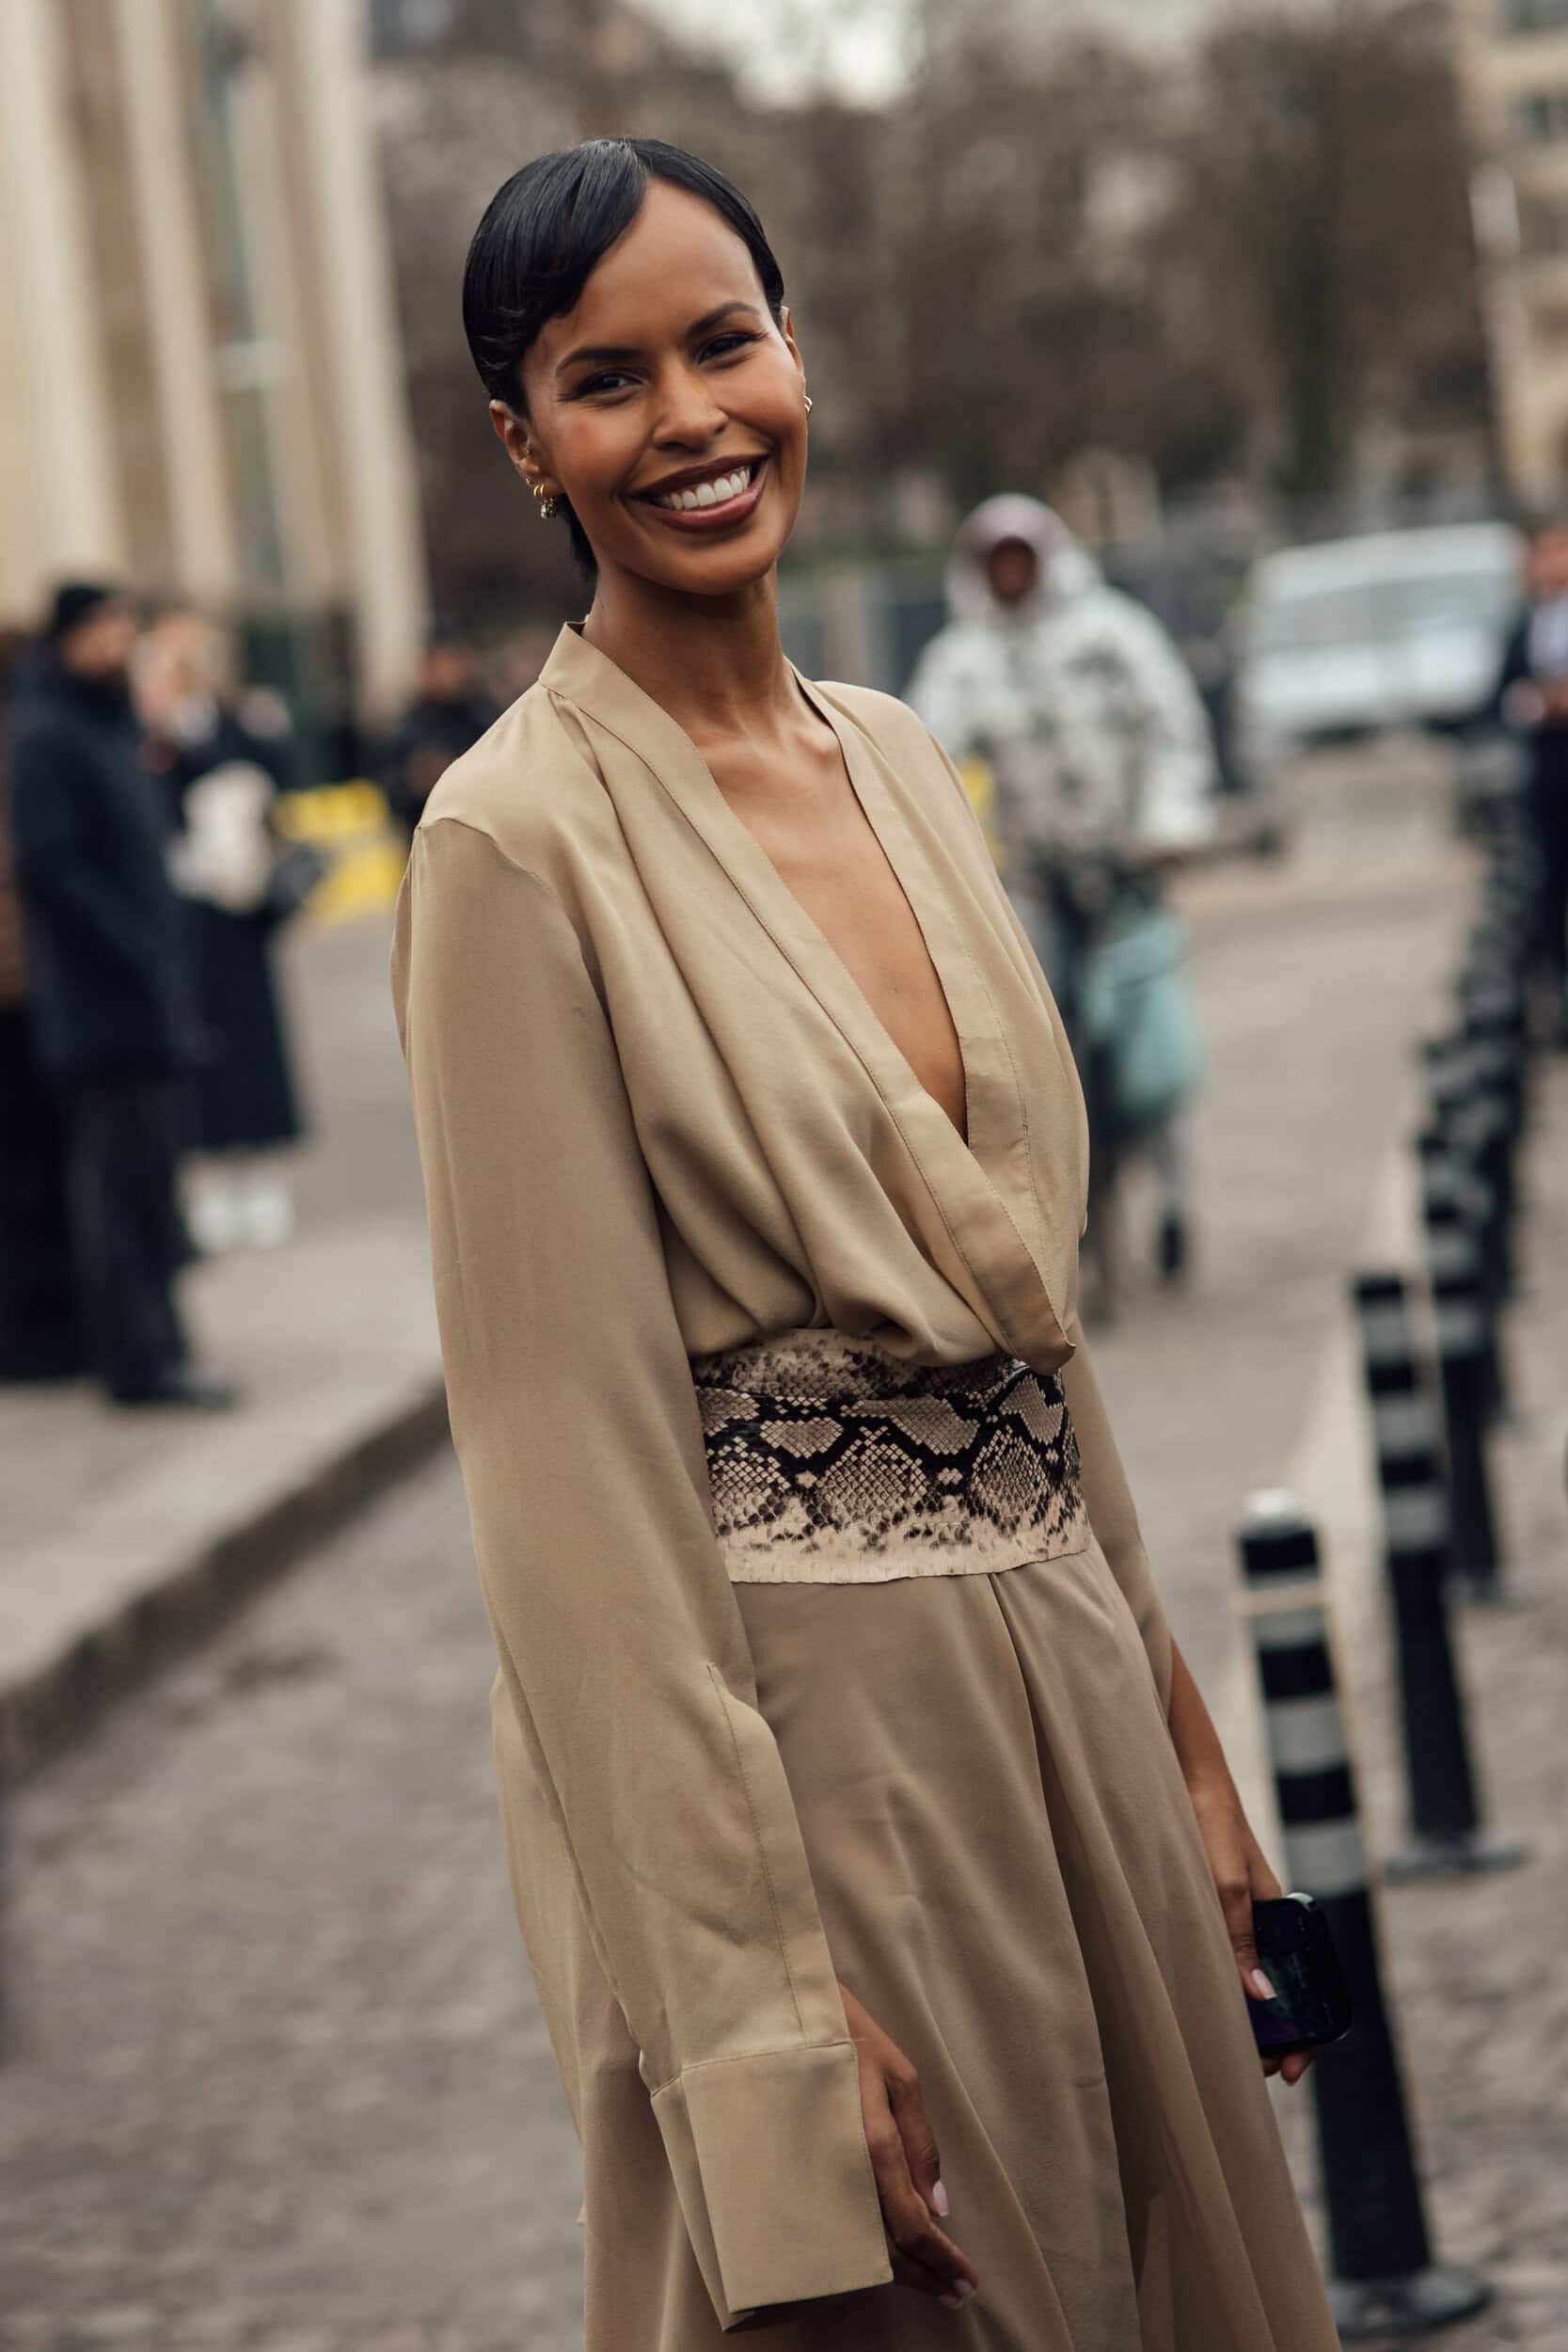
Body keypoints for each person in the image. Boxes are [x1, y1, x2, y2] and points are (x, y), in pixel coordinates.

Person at [391, 139, 1339, 2351]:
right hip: (815, 1757)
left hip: (1079, 1703)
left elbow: (1037, 1328)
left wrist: (1195, 1770)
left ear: (797, 349)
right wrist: (761, 2005)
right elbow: (568, 1489)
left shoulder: (910, 761)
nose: (693, 418)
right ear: (525, 444)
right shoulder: (509, 844)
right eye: (605, 379)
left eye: (727, 341)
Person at [908, 497, 1216, 1286]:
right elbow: (924, 768)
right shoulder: (962, 659)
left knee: (1149, 1047)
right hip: (1033, 887)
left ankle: (1174, 1195)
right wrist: (959, 864)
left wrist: (1167, 824)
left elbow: (1173, 729)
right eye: (996, 561)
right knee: (1040, 1050)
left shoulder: (1112, 636)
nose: (1011, 574)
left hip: (1127, 870)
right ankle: (1074, 1208)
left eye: (1023, 558)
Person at [8, 583, 234, 1410]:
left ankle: (163, 1345)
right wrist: (135, 947)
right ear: (70, 637)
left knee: (151, 1184)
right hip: (98, 1005)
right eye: (103, 630)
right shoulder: (45, 734)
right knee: (117, 1188)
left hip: (145, 997)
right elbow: (49, 868)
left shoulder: (108, 723)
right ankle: (135, 1362)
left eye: (121, 629)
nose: (116, 643)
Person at [138, 611, 308, 1251]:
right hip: (185, 914)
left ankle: (260, 1172)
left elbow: (272, 782)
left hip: (240, 911)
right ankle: (211, 1178)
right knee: (197, 1046)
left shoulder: (240, 721)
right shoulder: (151, 732)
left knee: (252, 1042)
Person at [0, 625, 85, 1383]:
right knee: (30, 1171)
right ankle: (35, 1337)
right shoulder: (28, 742)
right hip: (21, 990)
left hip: (29, 987)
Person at [1492, 517, 1568, 1045]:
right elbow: (1497, 697)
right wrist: (1538, 703)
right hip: (1550, 778)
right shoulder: (1523, 625)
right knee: (1552, 890)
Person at [377, 620, 500, 839]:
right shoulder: (408, 725)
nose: (446, 670)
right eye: (439, 662)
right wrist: (416, 781)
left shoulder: (482, 715)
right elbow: (390, 793)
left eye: (451, 660)